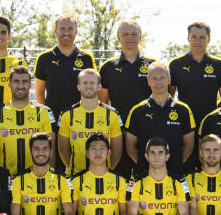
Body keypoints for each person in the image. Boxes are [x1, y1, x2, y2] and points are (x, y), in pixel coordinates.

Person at [99, 21, 160, 177]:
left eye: (134, 33)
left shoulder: (153, 65)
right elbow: (103, 103)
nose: (130, 37)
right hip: (118, 134)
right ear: (118, 37)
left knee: (147, 180)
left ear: (140, 37)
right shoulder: (107, 67)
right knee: (119, 181)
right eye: (125, 34)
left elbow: (163, 96)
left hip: (147, 132)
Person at [124, 61, 195, 178]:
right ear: (148, 81)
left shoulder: (183, 110)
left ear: (169, 79)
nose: (158, 82)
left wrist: (174, 164)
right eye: (154, 78)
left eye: (162, 77)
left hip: (174, 176)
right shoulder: (137, 111)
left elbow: (189, 146)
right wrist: (148, 166)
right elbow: (130, 147)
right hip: (145, 177)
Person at [0, 65, 54, 176]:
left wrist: (50, 177)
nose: (20, 85)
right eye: (16, 81)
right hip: (7, 178)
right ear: (9, 84)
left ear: (30, 84)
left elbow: (51, 150)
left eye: (24, 81)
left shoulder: (44, 112)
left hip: (37, 178)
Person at [57, 69, 123, 176]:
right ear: (79, 87)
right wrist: (74, 169)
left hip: (104, 176)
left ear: (99, 87)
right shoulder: (67, 115)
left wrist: (106, 168)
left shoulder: (112, 114)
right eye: (85, 83)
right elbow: (63, 150)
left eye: (92, 83)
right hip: (74, 175)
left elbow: (117, 150)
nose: (89, 86)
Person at [33, 13, 96, 123]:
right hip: (54, 120)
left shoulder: (87, 58)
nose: (66, 33)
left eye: (70, 29)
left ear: (76, 31)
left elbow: (95, 90)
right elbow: (39, 92)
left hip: (81, 121)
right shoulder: (44, 58)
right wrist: (48, 116)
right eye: (62, 29)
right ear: (55, 31)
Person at [168, 22, 221, 127]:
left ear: (208, 39)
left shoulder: (218, 65)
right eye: (194, 37)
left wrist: (214, 116)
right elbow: (169, 98)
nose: (198, 41)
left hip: (210, 124)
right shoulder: (175, 65)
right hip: (183, 124)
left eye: (202, 37)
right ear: (188, 38)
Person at [10, 132, 74, 215]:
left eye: (45, 149)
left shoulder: (63, 179)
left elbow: (69, 214)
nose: (41, 153)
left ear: (51, 152)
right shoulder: (17, 180)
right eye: (36, 149)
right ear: (30, 151)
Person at [126, 137, 193, 215]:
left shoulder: (180, 182)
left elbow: (184, 214)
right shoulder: (135, 182)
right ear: (147, 156)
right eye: (152, 153)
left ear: (167, 156)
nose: (156, 156)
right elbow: (131, 214)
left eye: (160, 153)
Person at [71, 133, 128, 215]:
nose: (98, 153)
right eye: (93, 149)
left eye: (102, 148)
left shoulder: (119, 180)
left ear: (108, 153)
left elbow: (124, 213)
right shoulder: (77, 181)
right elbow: (71, 214)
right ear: (87, 153)